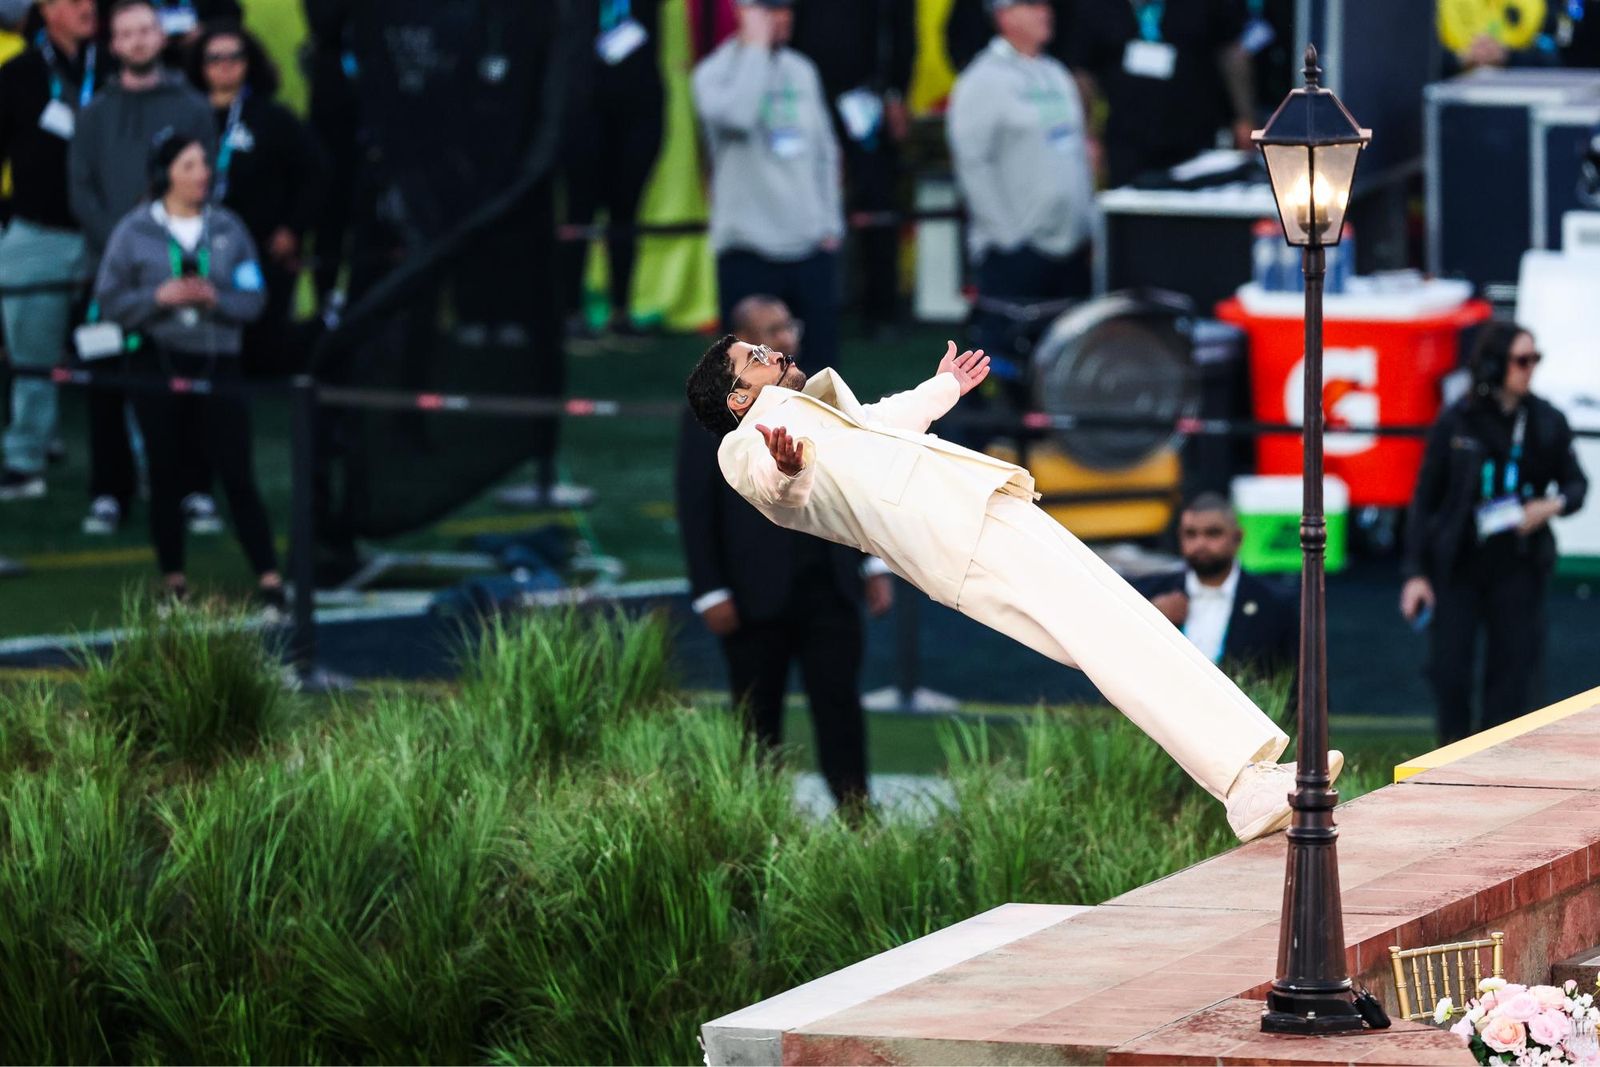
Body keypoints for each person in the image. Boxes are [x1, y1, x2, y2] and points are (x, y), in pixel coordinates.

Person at [685, 334, 1343, 843]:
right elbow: (775, 484)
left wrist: (942, 387)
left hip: (986, 507)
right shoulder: (746, 445)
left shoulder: (820, 411)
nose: (773, 352)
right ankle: (1238, 783)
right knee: (1111, 644)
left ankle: (1252, 770)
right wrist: (786, 465)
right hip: (961, 541)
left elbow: (888, 420)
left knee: (1134, 628)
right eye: (755, 358)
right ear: (738, 398)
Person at [676, 294, 893, 812]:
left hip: (831, 583)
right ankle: (754, 820)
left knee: (840, 705)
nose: (786, 340)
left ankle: (858, 819)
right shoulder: (711, 414)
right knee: (756, 719)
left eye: (788, 327)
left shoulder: (818, 391)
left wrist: (873, 562)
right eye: (768, 335)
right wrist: (710, 591)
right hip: (752, 594)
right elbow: (695, 504)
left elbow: (856, 476)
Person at [92, 132, 282, 610]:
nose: (203, 174)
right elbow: (109, 300)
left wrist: (217, 299)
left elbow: (255, 298)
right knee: (166, 470)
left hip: (220, 360)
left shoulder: (229, 227)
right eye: (190, 165)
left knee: (238, 471)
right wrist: (157, 298)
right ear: (165, 175)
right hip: (157, 358)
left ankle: (272, 580)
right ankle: (173, 581)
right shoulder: (133, 231)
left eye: (204, 165)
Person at [1401, 323, 1588, 745]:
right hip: (1458, 564)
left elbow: (1577, 486)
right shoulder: (1457, 421)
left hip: (1518, 565)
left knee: (1512, 675)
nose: (1529, 370)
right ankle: (1449, 759)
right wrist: (1415, 573)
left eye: (1534, 359)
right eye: (1522, 361)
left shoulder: (1546, 420)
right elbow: (1425, 499)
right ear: (1493, 365)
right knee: (1449, 672)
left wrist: (1549, 506)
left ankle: (1496, 764)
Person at [69, 0, 214, 536]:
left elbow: (207, 183)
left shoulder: (192, 106)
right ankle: (110, 492)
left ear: (161, 37)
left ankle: (193, 488)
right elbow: (80, 189)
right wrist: (122, 248)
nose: (136, 41)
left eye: (146, 31)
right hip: (105, 274)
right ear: (112, 44)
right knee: (106, 380)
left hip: (179, 269)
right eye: (126, 33)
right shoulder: (93, 112)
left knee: (187, 382)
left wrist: (157, 249)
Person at [947, 0, 1094, 416]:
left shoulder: (1055, 73)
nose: (1047, 10)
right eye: (1032, 4)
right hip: (1017, 251)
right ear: (1004, 15)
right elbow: (971, 162)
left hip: (1069, 245)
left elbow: (1077, 154)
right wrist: (1007, 235)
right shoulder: (982, 80)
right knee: (1004, 367)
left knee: (1065, 361)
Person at [692, 0, 844, 372]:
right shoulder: (713, 74)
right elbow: (739, 117)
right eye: (770, 8)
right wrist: (756, 49)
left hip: (809, 248)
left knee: (821, 376)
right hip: (748, 250)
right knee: (748, 378)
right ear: (744, 12)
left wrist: (830, 224)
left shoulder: (802, 69)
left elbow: (825, 151)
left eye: (787, 7)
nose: (785, 16)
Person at [0, 0, 98, 503]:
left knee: (123, 355)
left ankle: (142, 467)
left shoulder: (117, 66)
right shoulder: (18, 73)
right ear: (46, 9)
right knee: (32, 357)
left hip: (111, 238)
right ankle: (25, 460)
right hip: (38, 233)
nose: (87, 7)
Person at [185, 21, 322, 378]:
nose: (225, 64)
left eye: (235, 56)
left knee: (263, 343)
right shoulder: (186, 118)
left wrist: (293, 228)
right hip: (195, 247)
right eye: (214, 58)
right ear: (200, 66)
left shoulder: (275, 118)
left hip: (259, 250)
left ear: (250, 62)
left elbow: (314, 174)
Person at [791, 0, 914, 334]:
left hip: (867, 99)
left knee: (877, 204)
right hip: (804, 95)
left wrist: (896, 93)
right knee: (800, 198)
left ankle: (880, 309)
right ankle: (798, 311)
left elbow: (902, 29)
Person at [561, 0, 666, 341]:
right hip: (583, 106)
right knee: (579, 212)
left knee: (626, 212)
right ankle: (570, 312)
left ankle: (622, 311)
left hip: (637, 111)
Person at [1068, 0, 1255, 188]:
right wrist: (1088, 134)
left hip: (1195, 137)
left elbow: (1231, 54)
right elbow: (1083, 74)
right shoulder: (1097, 7)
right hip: (1126, 142)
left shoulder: (1205, 6)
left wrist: (1243, 116)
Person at [1135, 492, 1298, 678]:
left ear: (1237, 538)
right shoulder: (1148, 594)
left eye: (1213, 533)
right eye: (1191, 534)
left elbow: (1295, 685)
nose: (1200, 543)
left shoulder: (1275, 604)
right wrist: (1151, 617)